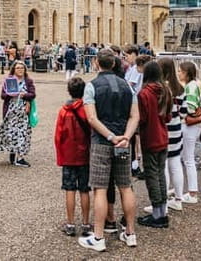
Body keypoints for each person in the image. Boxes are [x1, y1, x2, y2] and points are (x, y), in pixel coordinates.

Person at [78, 50, 139, 252]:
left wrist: (111, 137)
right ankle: (130, 233)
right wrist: (126, 137)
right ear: (113, 64)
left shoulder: (91, 86)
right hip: (123, 141)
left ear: (96, 63)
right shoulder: (127, 86)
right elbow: (134, 116)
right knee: (125, 186)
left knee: (100, 189)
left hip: (103, 142)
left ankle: (98, 237)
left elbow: (92, 119)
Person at [135, 61, 172, 229]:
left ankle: (157, 215)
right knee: (160, 174)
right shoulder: (165, 90)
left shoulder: (144, 93)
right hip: (163, 135)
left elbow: (142, 118)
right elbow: (168, 117)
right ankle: (162, 210)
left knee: (151, 175)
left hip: (150, 136)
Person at [54, 76, 92, 237]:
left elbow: (58, 135)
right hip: (84, 155)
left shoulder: (64, 111)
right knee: (84, 190)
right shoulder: (87, 109)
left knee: (69, 189)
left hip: (69, 155)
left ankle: (70, 224)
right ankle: (85, 223)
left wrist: (60, 154)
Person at [0, 60, 37, 167]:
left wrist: (23, 95)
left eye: (22, 68)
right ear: (14, 69)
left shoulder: (28, 81)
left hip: (23, 113)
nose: (20, 69)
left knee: (23, 134)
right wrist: (11, 94)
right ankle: (12, 153)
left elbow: (33, 94)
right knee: (11, 133)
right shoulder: (9, 81)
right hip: (11, 112)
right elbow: (2, 96)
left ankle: (20, 158)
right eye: (18, 68)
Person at [158, 56, 186, 212]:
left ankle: (163, 203)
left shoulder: (161, 88)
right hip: (176, 129)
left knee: (163, 167)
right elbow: (184, 112)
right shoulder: (180, 88)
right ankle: (178, 199)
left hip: (164, 130)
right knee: (175, 164)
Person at [178, 61, 201, 204]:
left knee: (188, 159)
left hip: (189, 125)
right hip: (193, 126)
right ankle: (188, 190)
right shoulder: (192, 85)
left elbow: (191, 109)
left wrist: (179, 113)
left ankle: (192, 193)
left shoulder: (191, 87)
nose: (178, 73)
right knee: (187, 159)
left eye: (180, 71)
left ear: (187, 73)